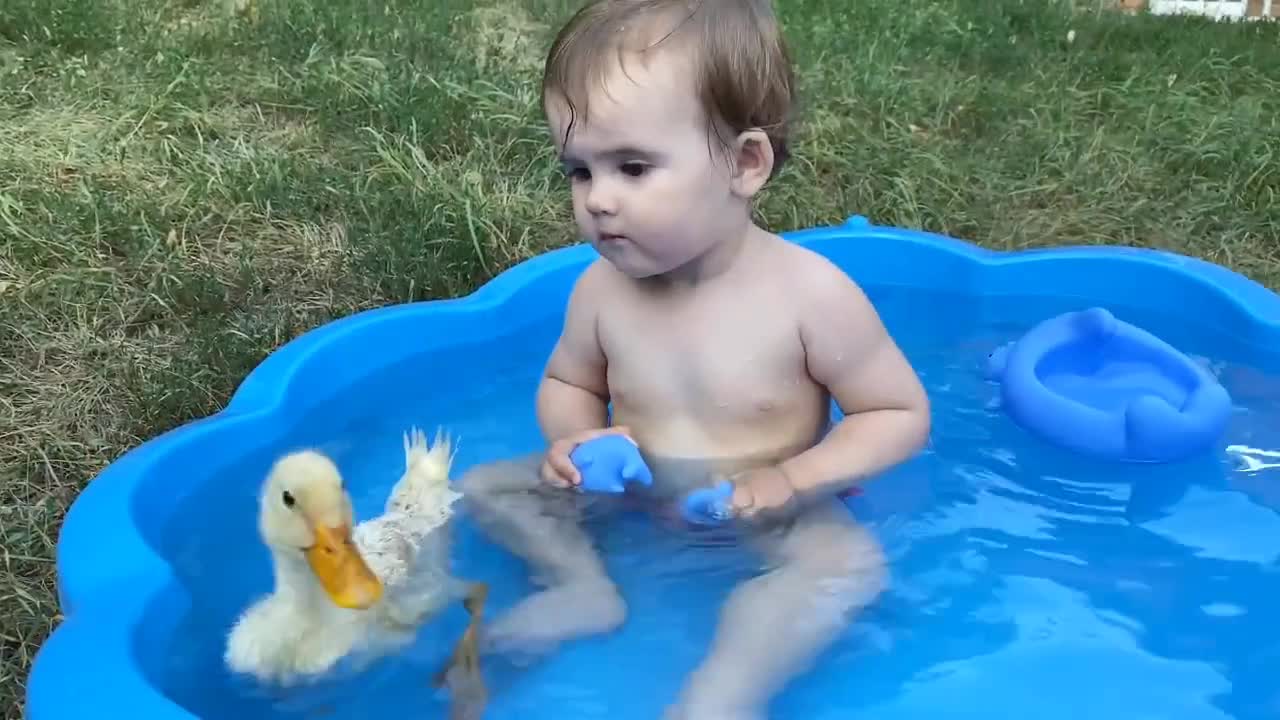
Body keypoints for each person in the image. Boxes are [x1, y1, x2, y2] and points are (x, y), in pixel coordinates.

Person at [458, 1, 932, 717]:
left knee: (847, 565)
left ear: (744, 164)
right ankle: (581, 587)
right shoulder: (600, 291)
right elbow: (567, 381)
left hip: (764, 503)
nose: (599, 201)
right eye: (579, 172)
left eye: (633, 167)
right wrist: (577, 438)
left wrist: (795, 478)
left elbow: (897, 412)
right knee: (489, 489)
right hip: (635, 484)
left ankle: (721, 696)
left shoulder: (810, 297)